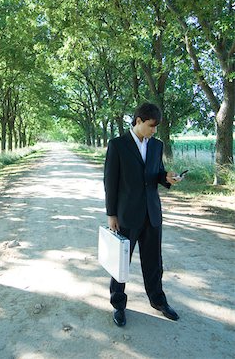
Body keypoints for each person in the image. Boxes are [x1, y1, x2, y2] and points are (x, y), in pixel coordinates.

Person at [104, 102, 180, 327]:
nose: (154, 130)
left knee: (154, 262)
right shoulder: (117, 145)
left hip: (152, 214)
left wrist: (166, 177)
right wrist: (111, 215)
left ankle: (158, 301)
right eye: (151, 126)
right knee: (121, 264)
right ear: (138, 121)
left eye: (156, 127)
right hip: (127, 215)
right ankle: (118, 305)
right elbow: (110, 181)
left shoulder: (156, 145)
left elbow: (155, 173)